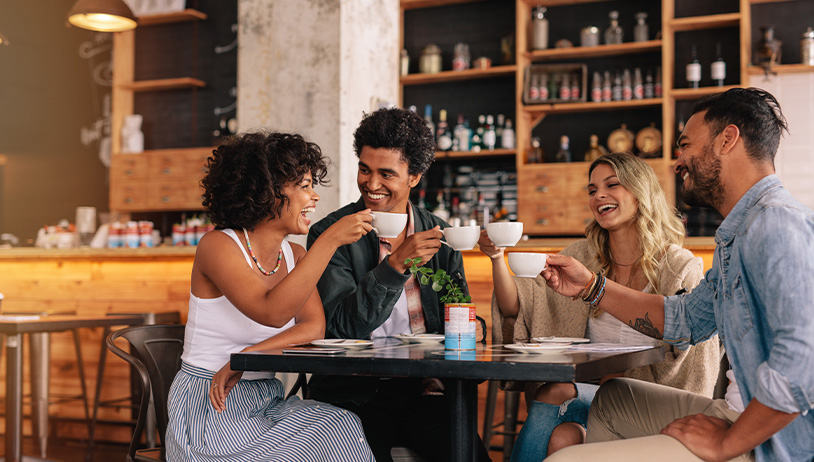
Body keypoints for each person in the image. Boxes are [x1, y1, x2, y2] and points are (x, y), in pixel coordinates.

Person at [542, 88, 814, 462]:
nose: (677, 161)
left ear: (727, 140)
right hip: (738, 413)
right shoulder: (739, 234)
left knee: (561, 459)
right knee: (614, 397)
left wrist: (727, 443)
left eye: (686, 145)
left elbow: (802, 363)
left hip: (771, 439)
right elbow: (686, 319)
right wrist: (592, 287)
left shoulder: (774, 224)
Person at [483, 153, 721, 461]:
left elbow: (692, 356)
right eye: (592, 190)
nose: (599, 196)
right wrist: (496, 258)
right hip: (596, 395)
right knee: (561, 421)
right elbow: (522, 304)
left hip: (651, 403)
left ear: (640, 191)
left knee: (562, 423)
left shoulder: (677, 266)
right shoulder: (582, 256)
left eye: (612, 185)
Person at [165, 131, 375, 461]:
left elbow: (312, 329)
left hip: (266, 399)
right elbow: (271, 312)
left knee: (341, 425)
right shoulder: (218, 246)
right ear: (269, 192)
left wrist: (247, 356)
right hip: (211, 403)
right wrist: (329, 241)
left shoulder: (295, 255)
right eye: (304, 186)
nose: (315, 197)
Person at [306, 107, 491, 462]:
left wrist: (474, 328)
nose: (371, 184)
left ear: (415, 177)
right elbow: (338, 328)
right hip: (352, 393)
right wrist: (394, 266)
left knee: (469, 456)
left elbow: (460, 312)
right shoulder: (331, 233)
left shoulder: (440, 236)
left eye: (386, 173)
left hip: (422, 390)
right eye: (365, 169)